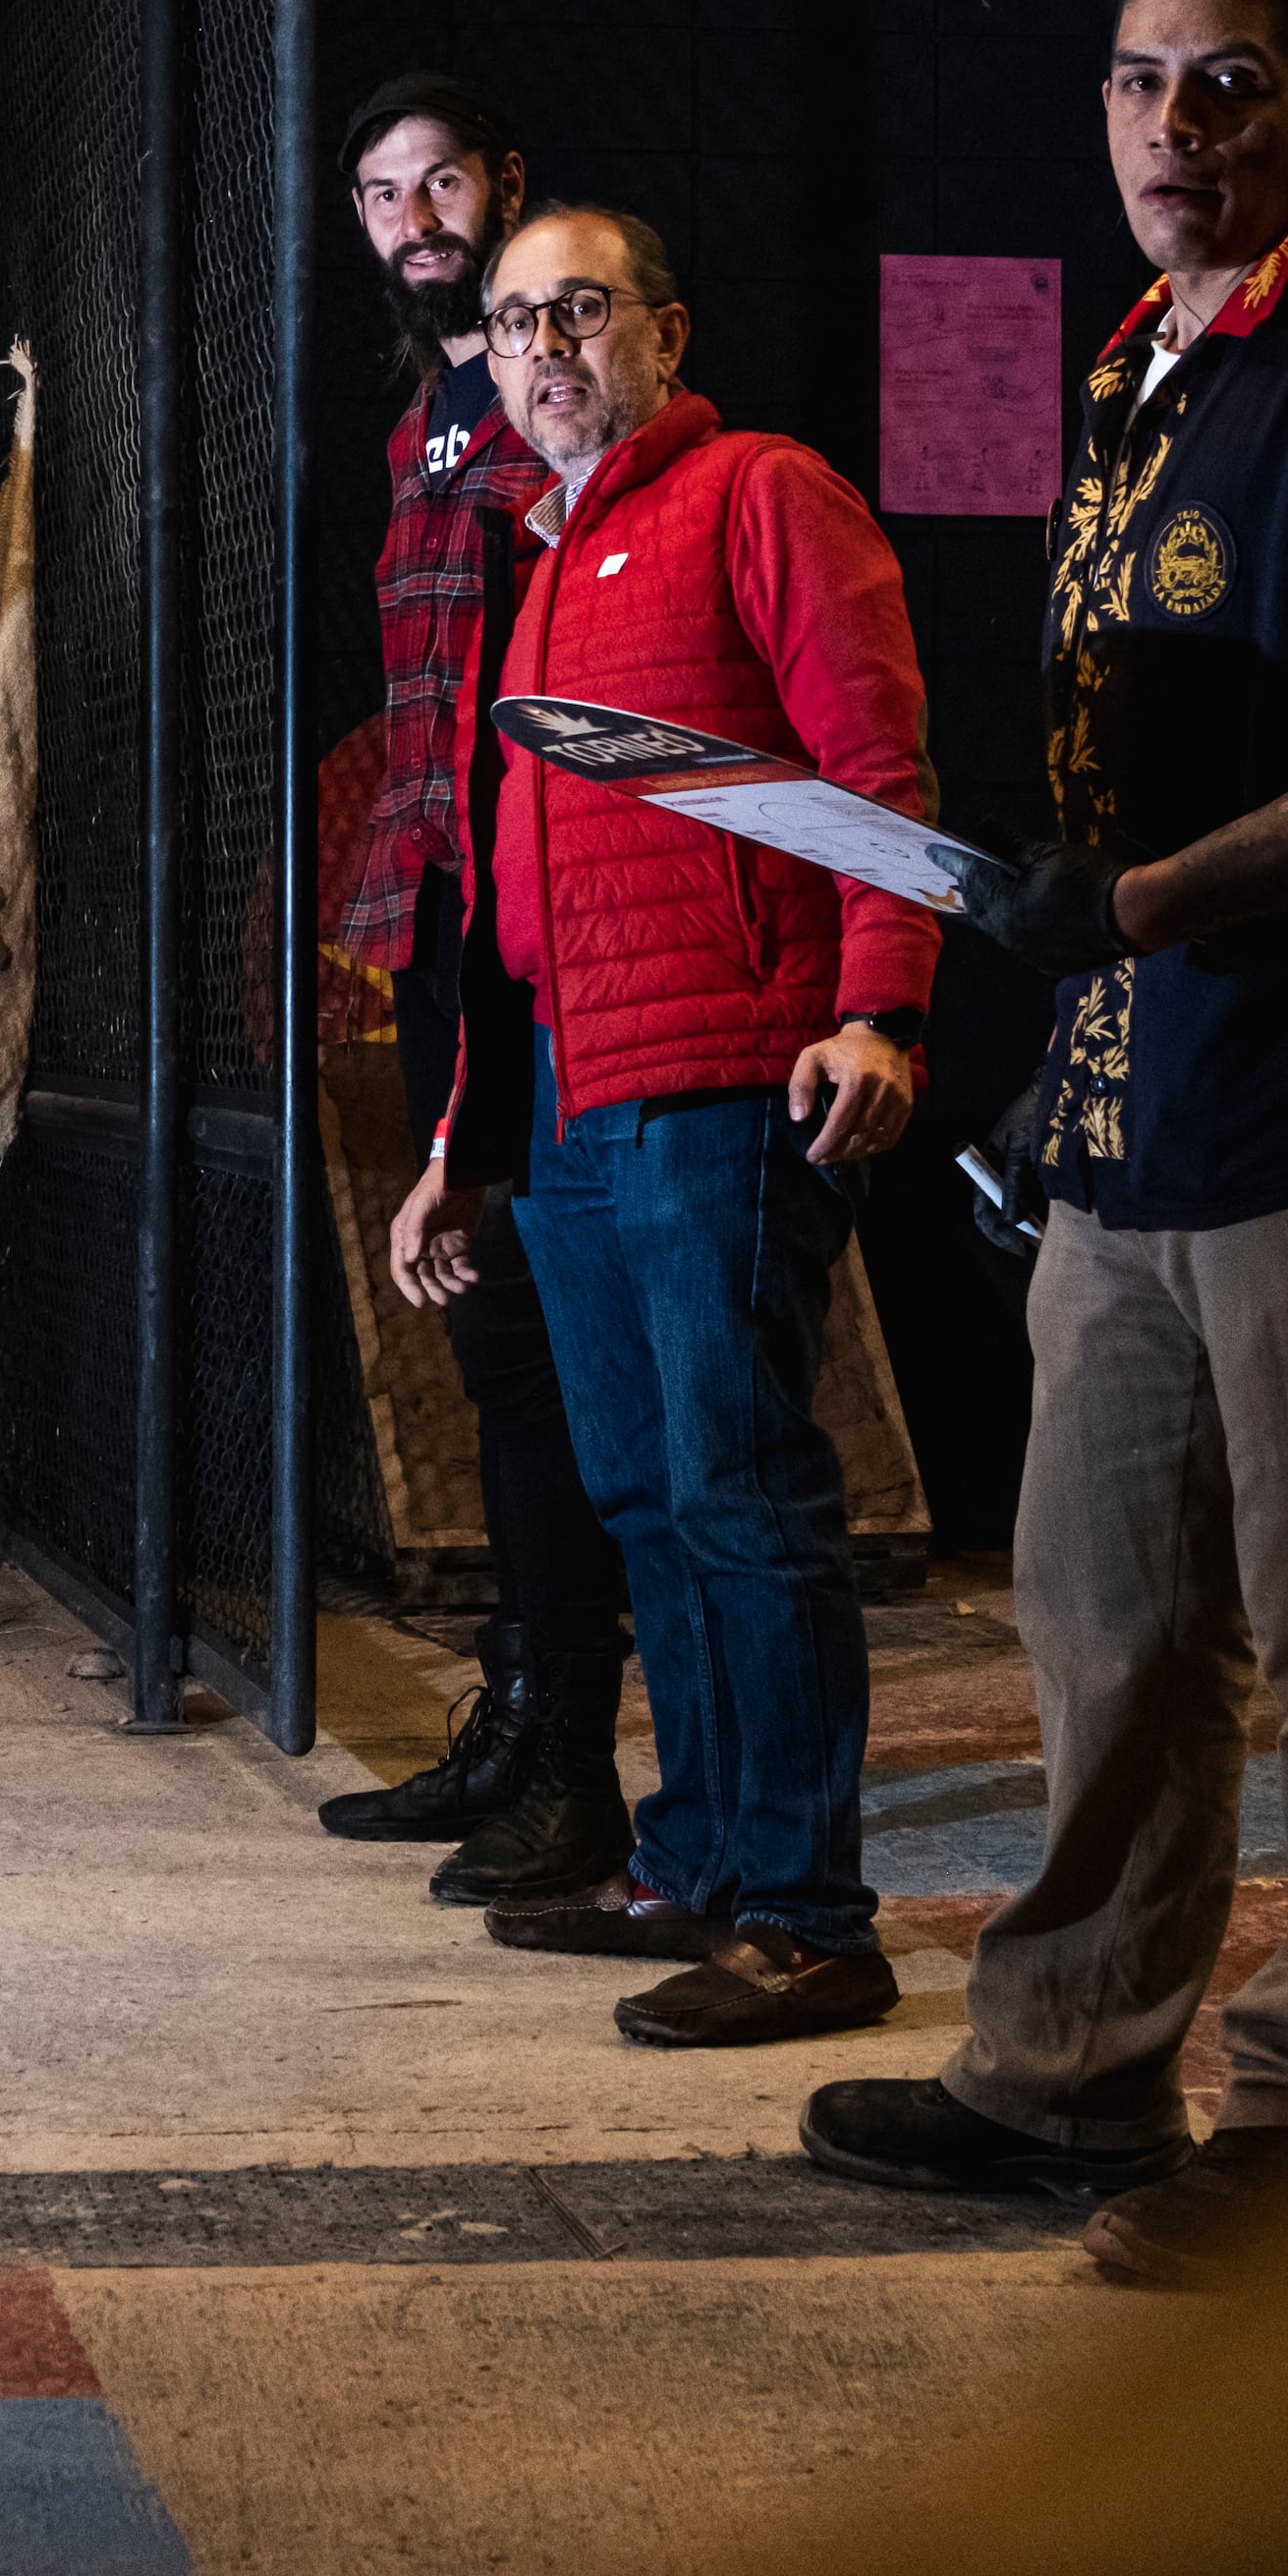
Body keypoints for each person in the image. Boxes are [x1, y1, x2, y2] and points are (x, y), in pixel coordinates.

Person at [798, 0, 1288, 2282]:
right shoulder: (1139, 359)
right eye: (1137, 80)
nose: (1170, 126)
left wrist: (1134, 903)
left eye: (1227, 82)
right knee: (1104, 1617)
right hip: (1126, 1107)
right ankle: (1064, 2070)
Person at [382, 203, 940, 2050]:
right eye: (514, 321)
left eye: (582, 311)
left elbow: (875, 768)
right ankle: (695, 1863)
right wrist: (466, 1135)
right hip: (573, 1093)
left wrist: (880, 1008)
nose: (544, 349)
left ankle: (809, 1916)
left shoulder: (761, 492)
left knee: (738, 1488)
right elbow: (507, 898)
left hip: (726, 1075)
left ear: (667, 332)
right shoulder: (539, 557)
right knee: (640, 1492)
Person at [312, 73, 636, 1905]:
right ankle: (524, 1721)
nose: (416, 219)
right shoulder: (424, 420)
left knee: (550, 1333)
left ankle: (574, 1754)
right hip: (444, 904)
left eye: (442, 183)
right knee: (502, 1341)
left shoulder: (548, 398)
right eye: (384, 193)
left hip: (544, 917)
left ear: (506, 185)